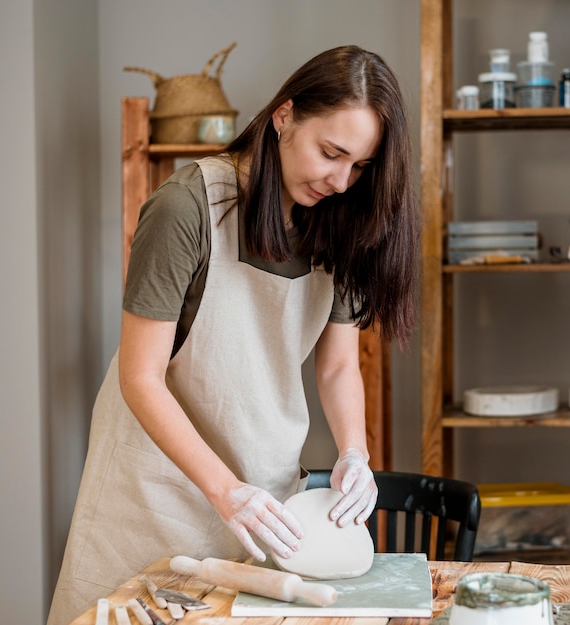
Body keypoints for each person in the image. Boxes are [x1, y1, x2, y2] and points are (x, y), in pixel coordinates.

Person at [47, 44, 419, 625]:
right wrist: (225, 492)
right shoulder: (187, 208)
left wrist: (354, 451)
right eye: (331, 153)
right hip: (151, 500)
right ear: (284, 116)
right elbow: (139, 378)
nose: (342, 181)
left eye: (360, 166)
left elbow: (340, 363)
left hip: (262, 505)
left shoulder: (340, 221)